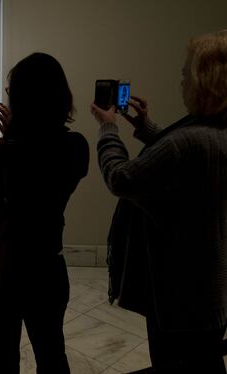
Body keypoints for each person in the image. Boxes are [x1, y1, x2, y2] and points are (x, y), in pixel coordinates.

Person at [90, 29, 227, 373]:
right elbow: (188, 162)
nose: (181, 81)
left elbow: (121, 178)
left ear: (204, 79)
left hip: (181, 292)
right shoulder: (213, 131)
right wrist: (147, 127)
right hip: (211, 286)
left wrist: (108, 130)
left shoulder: (187, 143)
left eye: (185, 73)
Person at [0, 52, 89, 373]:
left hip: (0, 271)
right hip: (47, 267)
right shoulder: (75, 146)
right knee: (52, 355)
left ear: (18, 98)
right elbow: (44, 173)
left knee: (1, 361)